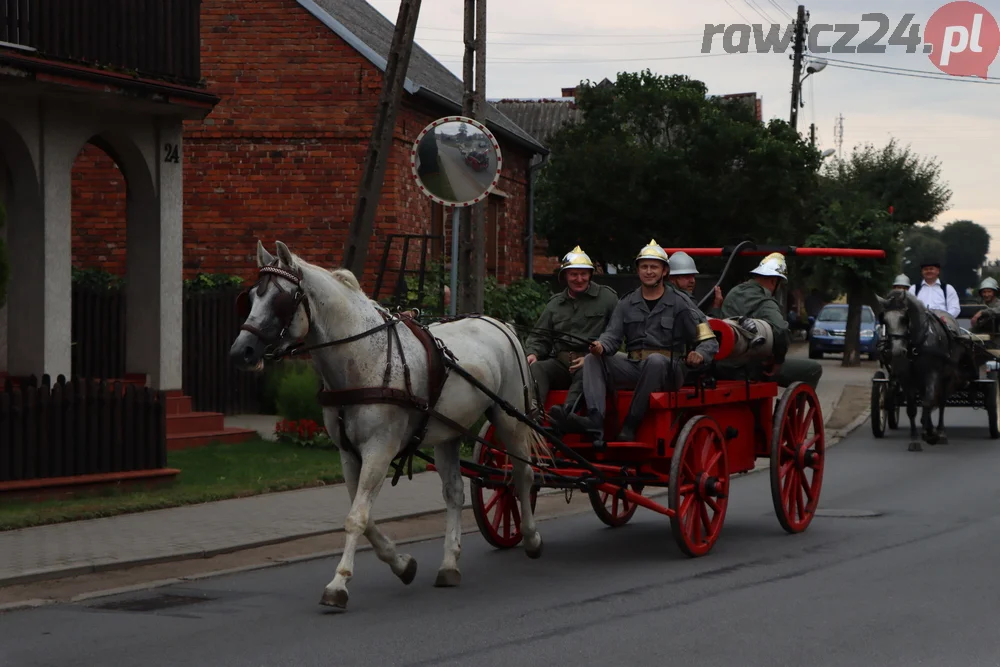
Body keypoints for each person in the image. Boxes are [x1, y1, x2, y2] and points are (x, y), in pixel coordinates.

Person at [549, 239, 719, 444]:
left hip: (670, 370)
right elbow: (612, 336)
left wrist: (699, 354)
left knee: (655, 361)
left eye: (654, 267)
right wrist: (600, 346)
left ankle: (630, 425)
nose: (649, 271)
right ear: (638, 271)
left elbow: (708, 339)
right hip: (635, 365)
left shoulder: (681, 303)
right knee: (593, 359)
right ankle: (595, 422)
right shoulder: (627, 302)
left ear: (664, 271)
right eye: (644, 267)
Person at [524, 245, 619, 415]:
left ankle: (566, 413)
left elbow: (616, 332)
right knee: (537, 369)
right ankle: (533, 414)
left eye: (583, 274)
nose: (579, 279)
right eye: (573, 274)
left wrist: (595, 356)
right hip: (561, 363)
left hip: (593, 362)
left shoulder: (607, 298)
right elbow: (540, 336)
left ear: (590, 275)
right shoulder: (555, 303)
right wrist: (533, 353)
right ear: (565, 276)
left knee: (587, 370)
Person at [715, 252, 823, 389]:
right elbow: (781, 330)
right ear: (774, 281)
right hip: (746, 368)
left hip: (722, 364)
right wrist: (778, 360)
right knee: (813, 368)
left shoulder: (733, 293)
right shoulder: (765, 301)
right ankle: (792, 407)